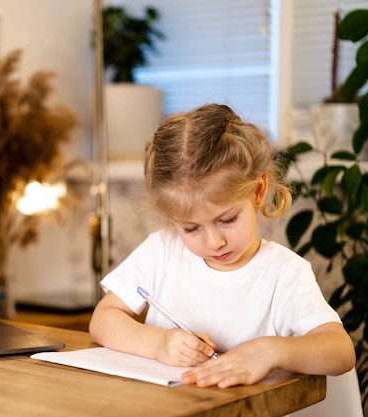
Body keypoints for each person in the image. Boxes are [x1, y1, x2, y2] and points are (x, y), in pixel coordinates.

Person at [88, 103, 355, 388]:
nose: (215, 242)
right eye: (191, 228)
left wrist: (270, 351)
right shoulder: (161, 252)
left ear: (258, 191)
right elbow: (103, 320)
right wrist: (157, 343)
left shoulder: (284, 273)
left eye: (227, 219)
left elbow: (340, 351)